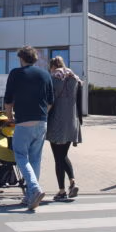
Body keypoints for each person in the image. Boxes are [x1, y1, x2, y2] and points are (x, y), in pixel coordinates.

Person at [3, 46, 54, 211]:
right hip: (41, 122)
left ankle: (35, 188)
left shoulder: (16, 73)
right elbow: (50, 101)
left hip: (23, 122)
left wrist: (10, 118)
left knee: (20, 157)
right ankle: (30, 196)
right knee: (35, 159)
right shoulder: (46, 74)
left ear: (21, 58)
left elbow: (8, 100)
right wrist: (42, 115)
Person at [46, 56, 82, 201]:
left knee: (58, 157)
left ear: (52, 67)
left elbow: (49, 101)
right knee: (63, 155)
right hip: (72, 123)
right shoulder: (75, 79)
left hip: (57, 123)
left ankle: (61, 191)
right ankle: (72, 182)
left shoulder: (53, 79)